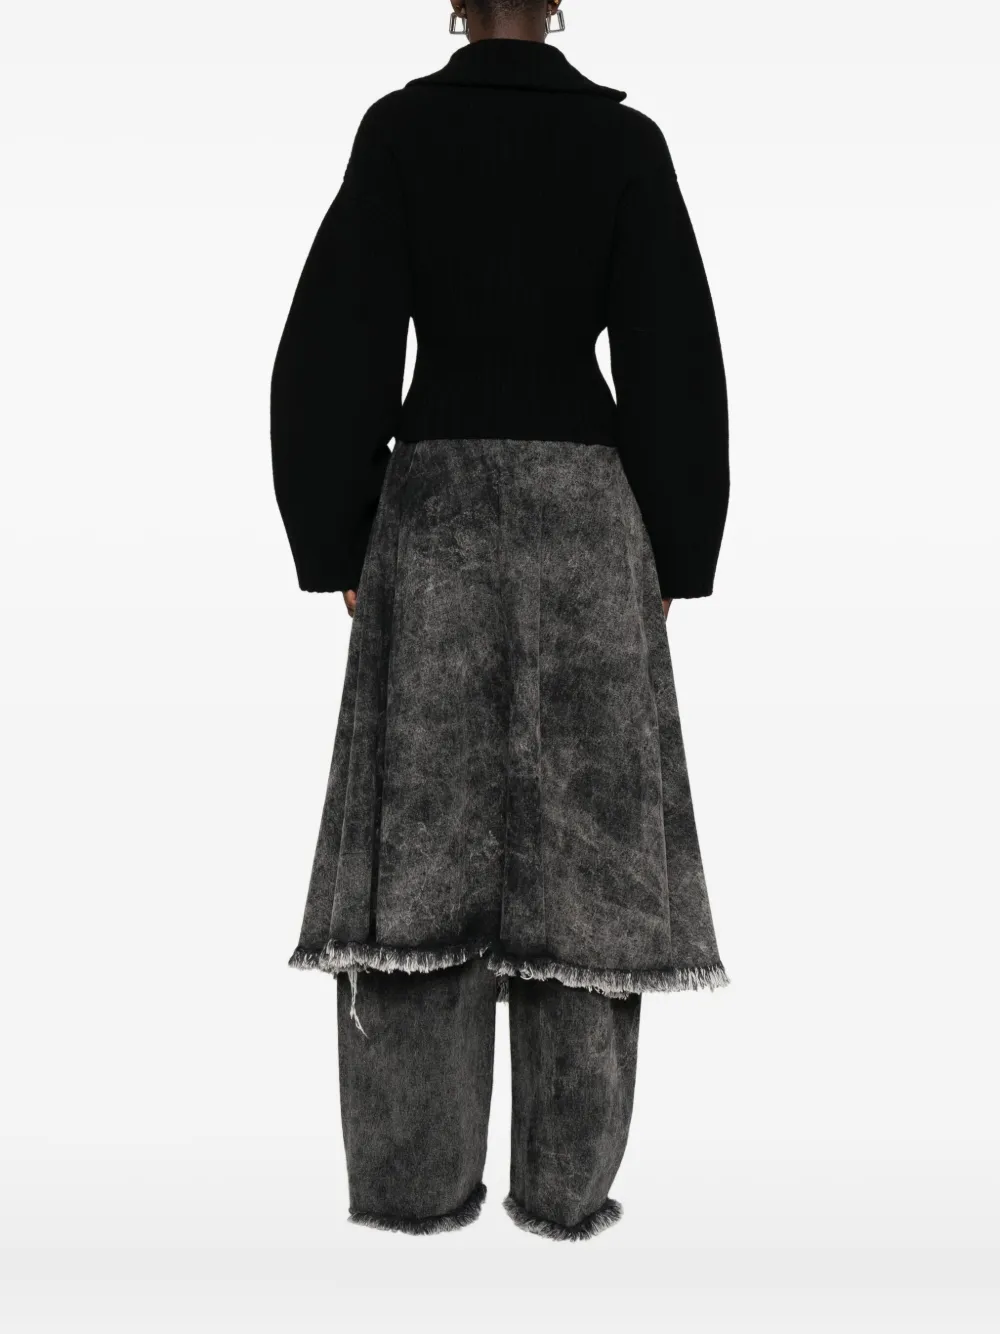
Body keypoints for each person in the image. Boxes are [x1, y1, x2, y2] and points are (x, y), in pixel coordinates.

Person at [270, 0, 730, 1241]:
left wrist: (335, 531)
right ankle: (565, 1189)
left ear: (456, 6)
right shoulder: (623, 145)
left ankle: (413, 1187)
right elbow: (675, 355)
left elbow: (335, 339)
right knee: (589, 867)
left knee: (413, 863)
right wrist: (674, 549)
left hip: (434, 517)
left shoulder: (400, 132)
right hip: (586, 524)